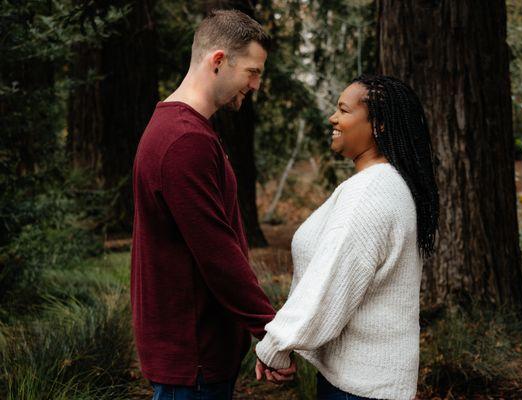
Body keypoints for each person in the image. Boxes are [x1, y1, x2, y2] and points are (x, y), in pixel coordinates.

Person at [130, 10, 296, 400]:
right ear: (218, 61)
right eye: (252, 72)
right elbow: (219, 256)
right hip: (193, 360)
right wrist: (273, 336)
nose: (256, 85)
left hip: (193, 357)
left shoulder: (178, 128)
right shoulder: (185, 141)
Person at [255, 75, 439, 400]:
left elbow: (330, 284)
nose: (333, 118)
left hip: (360, 388)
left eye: (343, 110)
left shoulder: (370, 193)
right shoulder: (386, 184)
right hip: (367, 382)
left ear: (378, 125)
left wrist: (275, 346)